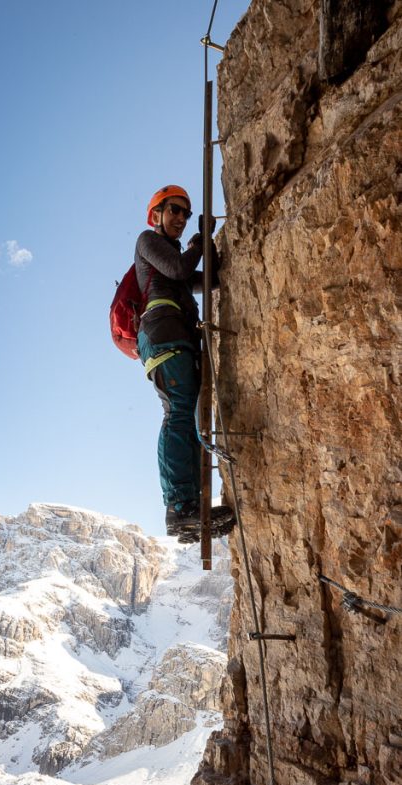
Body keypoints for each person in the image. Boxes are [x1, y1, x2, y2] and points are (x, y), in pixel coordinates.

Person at [134, 184, 234, 539]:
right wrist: (199, 240)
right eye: (173, 210)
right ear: (156, 215)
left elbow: (211, 279)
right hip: (163, 335)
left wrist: (208, 247)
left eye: (185, 213)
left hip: (176, 337)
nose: (180, 217)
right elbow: (178, 269)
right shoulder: (147, 241)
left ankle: (189, 505)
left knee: (187, 415)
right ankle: (178, 506)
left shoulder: (175, 254)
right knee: (178, 411)